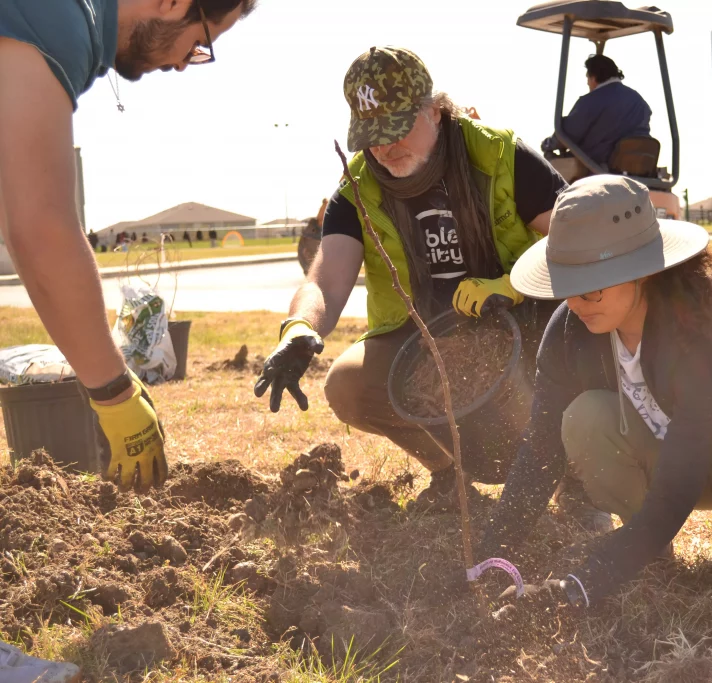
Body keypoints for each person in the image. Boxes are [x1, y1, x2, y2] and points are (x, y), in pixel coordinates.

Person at [472, 175, 712, 627]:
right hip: (665, 462)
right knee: (582, 417)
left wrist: (579, 585)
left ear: (642, 272)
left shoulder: (708, 323)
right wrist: (489, 557)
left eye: (591, 286)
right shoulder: (569, 329)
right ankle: (650, 551)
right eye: (565, 284)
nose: (575, 302)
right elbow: (539, 450)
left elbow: (679, 484)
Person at [0, 1, 256, 680]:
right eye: (203, 40)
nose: (184, 62)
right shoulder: (60, 19)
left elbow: (24, 222)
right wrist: (114, 393)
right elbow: (44, 228)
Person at [255, 46, 567, 508]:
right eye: (371, 134)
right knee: (347, 385)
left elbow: (575, 238)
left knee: (568, 363)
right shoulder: (356, 191)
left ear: (435, 111)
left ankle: (577, 484)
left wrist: (510, 285)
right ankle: (450, 476)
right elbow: (327, 281)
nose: (385, 146)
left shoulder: (502, 156)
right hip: (426, 337)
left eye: (397, 128)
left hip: (523, 321)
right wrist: (300, 328)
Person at [541, 54, 652, 168]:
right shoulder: (639, 101)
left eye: (587, 78)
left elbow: (567, 134)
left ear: (593, 77)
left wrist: (548, 144)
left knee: (549, 166)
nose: (587, 83)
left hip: (598, 167)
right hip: (636, 166)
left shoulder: (591, 101)